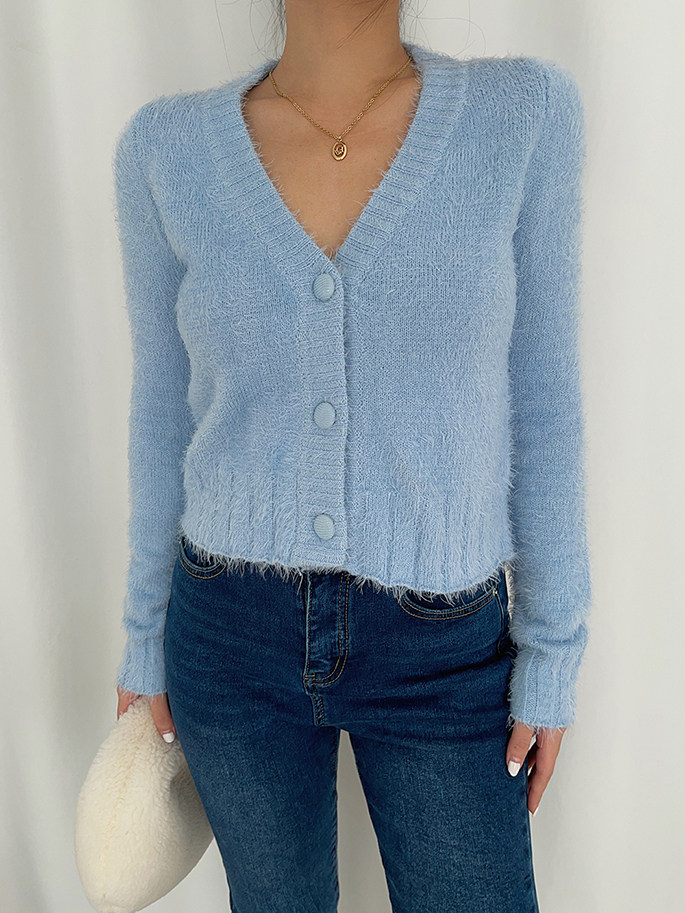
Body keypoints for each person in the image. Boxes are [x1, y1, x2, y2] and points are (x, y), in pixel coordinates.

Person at [112, 0, 592, 909]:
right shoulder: (164, 151)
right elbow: (161, 416)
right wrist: (143, 640)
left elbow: (544, 401)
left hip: (445, 647)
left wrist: (553, 648)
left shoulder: (520, 118)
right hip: (225, 632)